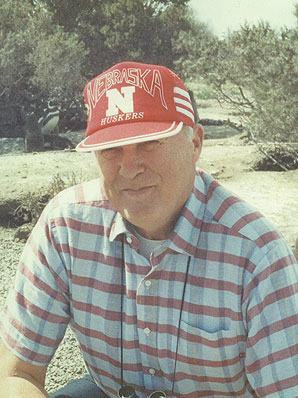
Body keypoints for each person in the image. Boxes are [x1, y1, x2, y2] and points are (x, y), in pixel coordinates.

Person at [0, 61, 297, 398]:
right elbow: (16, 371)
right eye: (112, 148)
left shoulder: (258, 257)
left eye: (150, 142)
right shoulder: (66, 226)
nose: (129, 167)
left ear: (196, 144)